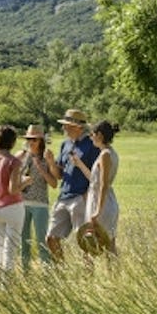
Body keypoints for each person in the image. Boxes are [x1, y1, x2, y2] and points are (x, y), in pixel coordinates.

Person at [45, 109, 101, 262]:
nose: (64, 128)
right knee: (51, 238)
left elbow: (97, 175)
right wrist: (50, 162)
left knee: (84, 241)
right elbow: (59, 175)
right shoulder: (65, 144)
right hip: (64, 196)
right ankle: (61, 274)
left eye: (67, 125)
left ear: (78, 127)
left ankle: (87, 277)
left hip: (81, 197)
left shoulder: (92, 145)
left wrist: (88, 195)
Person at [0, 125, 31, 281]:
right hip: (13, 208)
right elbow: (13, 189)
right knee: (10, 250)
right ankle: (7, 285)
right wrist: (26, 181)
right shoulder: (14, 162)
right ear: (12, 142)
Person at [71, 120, 120, 255]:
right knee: (104, 242)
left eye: (92, 134)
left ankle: (92, 275)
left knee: (95, 242)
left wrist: (97, 211)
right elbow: (95, 180)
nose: (91, 137)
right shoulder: (108, 153)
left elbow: (103, 184)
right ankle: (110, 275)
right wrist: (79, 164)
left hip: (101, 203)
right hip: (103, 200)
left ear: (99, 135)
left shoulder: (105, 155)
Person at [17, 124, 60, 268]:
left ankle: (46, 273)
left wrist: (43, 169)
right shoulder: (23, 156)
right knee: (24, 241)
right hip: (23, 203)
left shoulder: (47, 156)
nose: (31, 142)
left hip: (40, 204)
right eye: (29, 139)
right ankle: (25, 272)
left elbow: (54, 184)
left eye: (34, 139)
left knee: (42, 240)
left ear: (41, 141)